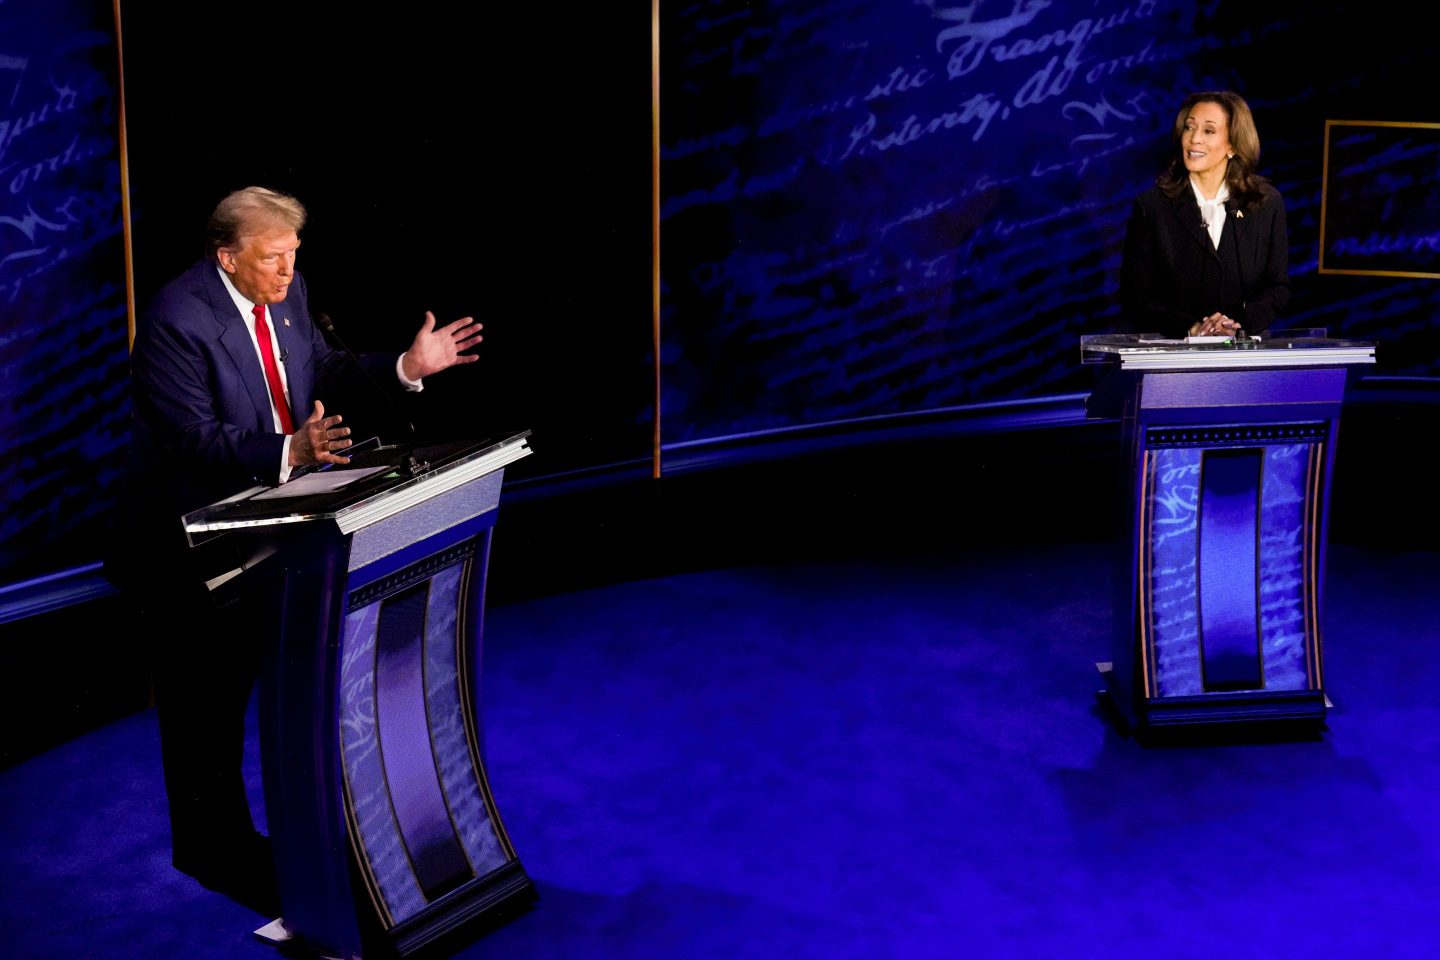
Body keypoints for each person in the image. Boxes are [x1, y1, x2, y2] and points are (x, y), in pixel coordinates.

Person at [120, 186, 483, 914]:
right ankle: (212, 851)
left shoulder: (290, 294)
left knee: (294, 688)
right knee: (207, 711)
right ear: (228, 257)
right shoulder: (174, 321)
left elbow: (326, 371)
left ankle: (324, 838)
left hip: (286, 532)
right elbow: (192, 440)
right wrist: (288, 449)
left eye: (294, 256)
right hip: (197, 551)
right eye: (272, 258)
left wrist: (407, 369)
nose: (288, 272)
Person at [1121, 90, 1290, 339]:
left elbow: (1278, 288)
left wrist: (1235, 327)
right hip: (1175, 357)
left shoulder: (1265, 203)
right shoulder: (1152, 206)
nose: (1194, 139)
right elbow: (1137, 297)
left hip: (1243, 354)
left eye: (1208, 131)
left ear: (1233, 144)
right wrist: (1192, 328)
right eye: (1189, 128)